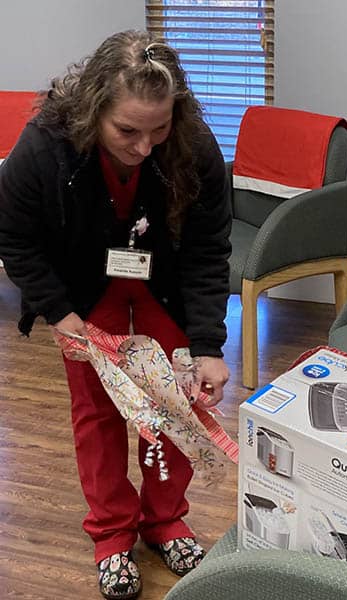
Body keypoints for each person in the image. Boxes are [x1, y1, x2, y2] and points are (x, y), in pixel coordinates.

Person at [0, 30, 232, 600]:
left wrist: (207, 344)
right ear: (92, 110)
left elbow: (208, 248)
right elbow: (13, 234)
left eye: (160, 128)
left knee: (174, 402)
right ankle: (110, 534)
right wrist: (58, 311)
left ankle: (165, 520)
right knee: (97, 409)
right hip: (85, 287)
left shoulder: (195, 144)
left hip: (165, 282)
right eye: (127, 130)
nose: (145, 145)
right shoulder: (44, 144)